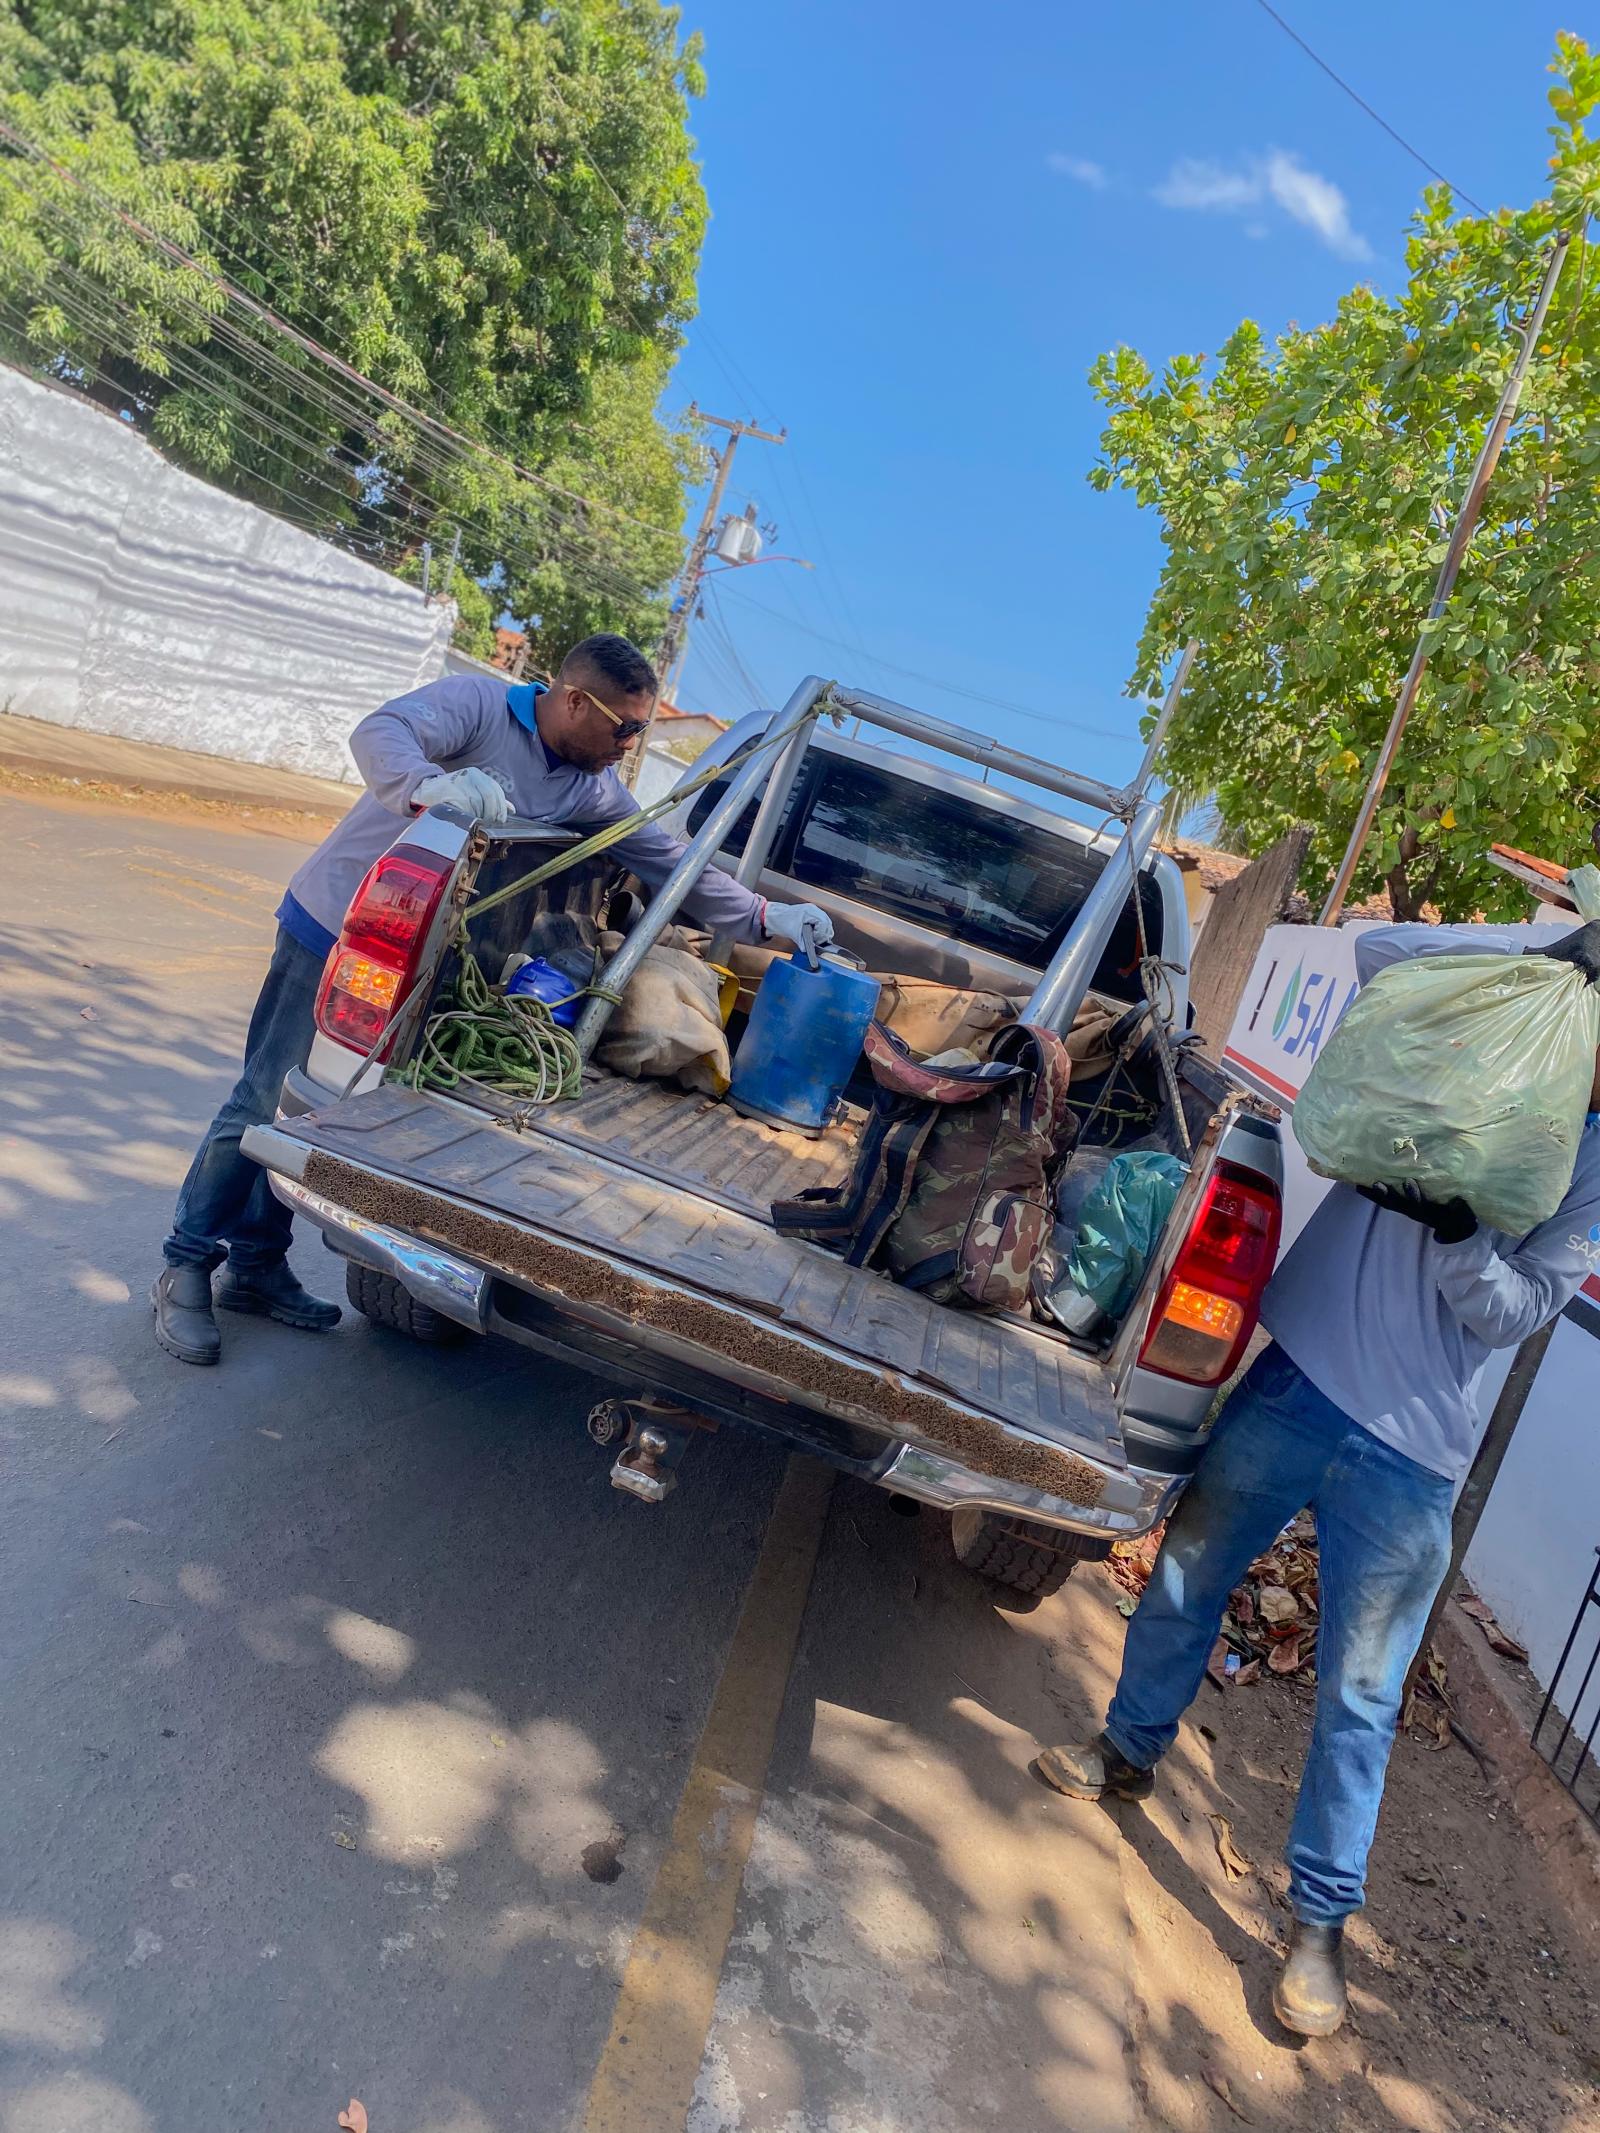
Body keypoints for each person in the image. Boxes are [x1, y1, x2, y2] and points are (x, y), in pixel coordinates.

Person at [1037, 916, 1600, 2038]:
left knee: (1361, 1694)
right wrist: (1541, 949)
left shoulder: (1586, 1159)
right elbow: (1375, 952)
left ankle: (1319, 1925)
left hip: (1414, 1450)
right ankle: (1128, 1748)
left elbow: (1517, 1311)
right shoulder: (1466, 1031)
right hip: (1297, 1377)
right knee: (1188, 1574)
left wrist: (1457, 1233)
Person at [154, 633, 833, 1366]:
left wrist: (765, 916)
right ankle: (184, 1264)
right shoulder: (477, 706)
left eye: (639, 730)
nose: (631, 745)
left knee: (318, 1107)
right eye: (625, 727)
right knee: (266, 1095)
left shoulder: (590, 788)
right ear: (575, 701)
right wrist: (427, 786)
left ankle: (255, 1265)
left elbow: (668, 860)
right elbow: (380, 730)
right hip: (339, 928)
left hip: (429, 963)